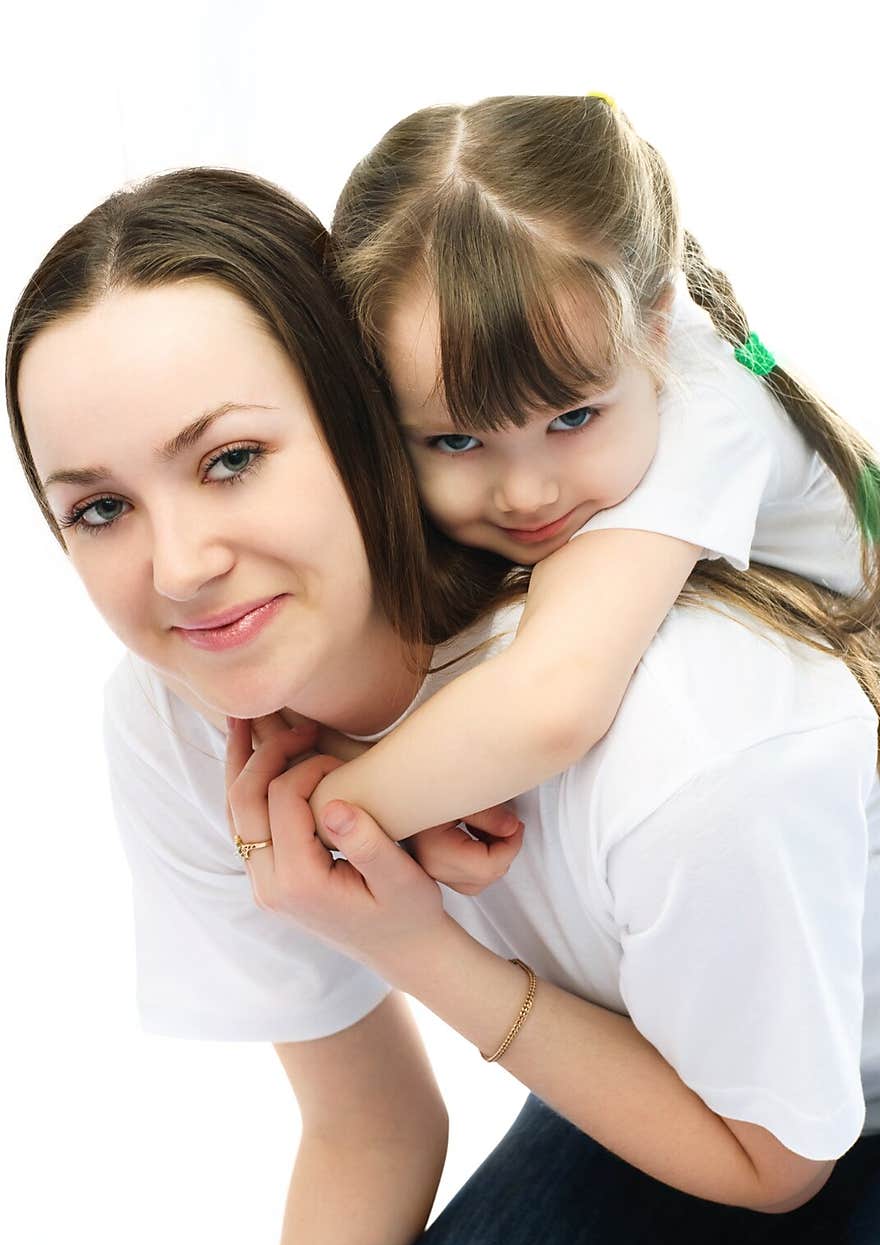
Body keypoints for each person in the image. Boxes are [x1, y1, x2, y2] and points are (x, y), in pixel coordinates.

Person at [7, 167, 880, 1245]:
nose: (179, 567)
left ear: (365, 414)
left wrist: (409, 925)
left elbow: (776, 1163)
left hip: (777, 1127)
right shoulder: (181, 717)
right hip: (673, 1075)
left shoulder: (685, 730)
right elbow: (366, 1127)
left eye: (231, 459)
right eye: (101, 508)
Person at [290, 93, 880, 865]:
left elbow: (553, 702)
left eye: (571, 420)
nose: (527, 493)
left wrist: (327, 816)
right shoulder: (608, 382)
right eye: (458, 439)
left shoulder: (709, 413)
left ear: (657, 331)